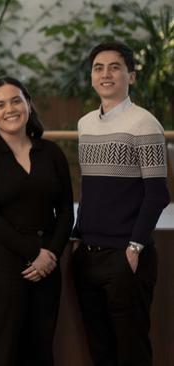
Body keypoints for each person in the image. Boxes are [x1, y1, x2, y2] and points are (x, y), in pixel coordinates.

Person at [71, 41, 169, 366]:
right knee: (100, 349)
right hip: (87, 256)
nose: (106, 74)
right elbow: (92, 190)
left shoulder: (145, 124)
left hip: (125, 257)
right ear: (91, 77)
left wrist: (135, 247)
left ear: (132, 75)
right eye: (98, 68)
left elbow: (158, 194)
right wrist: (76, 236)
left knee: (132, 350)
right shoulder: (85, 125)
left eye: (115, 67)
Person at [0, 76, 74, 366]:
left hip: (46, 269)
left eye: (16, 100)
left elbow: (66, 211)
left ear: (28, 103)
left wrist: (49, 256)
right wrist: (34, 254)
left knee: (39, 353)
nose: (9, 109)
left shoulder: (51, 153)